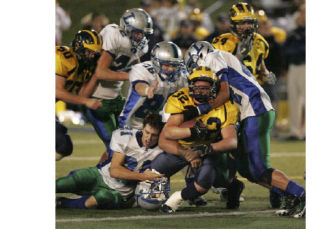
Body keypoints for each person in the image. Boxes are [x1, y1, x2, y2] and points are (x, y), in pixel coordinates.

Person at [184, 40, 306, 218]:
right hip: (253, 111)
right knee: (247, 168)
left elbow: (225, 92)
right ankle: (288, 195)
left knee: (259, 169)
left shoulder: (212, 56)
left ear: (200, 56)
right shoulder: (221, 57)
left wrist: (199, 110)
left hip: (255, 110)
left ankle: (302, 195)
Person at [150, 67, 243, 212]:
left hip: (208, 150)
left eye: (205, 88)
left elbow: (231, 142)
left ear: (214, 88)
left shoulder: (226, 106)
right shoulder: (180, 99)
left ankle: (231, 184)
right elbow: (166, 136)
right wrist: (191, 139)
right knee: (155, 176)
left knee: (207, 181)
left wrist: (204, 150)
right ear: (191, 87)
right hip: (183, 148)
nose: (200, 92)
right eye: (197, 87)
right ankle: (156, 195)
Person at [81, 8, 154, 164]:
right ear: (126, 27)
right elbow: (100, 72)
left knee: (128, 142)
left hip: (115, 99)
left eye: (144, 33)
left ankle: (99, 173)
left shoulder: (140, 45)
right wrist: (131, 76)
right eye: (137, 32)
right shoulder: (113, 34)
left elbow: (138, 70)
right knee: (114, 146)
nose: (141, 37)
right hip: (97, 98)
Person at [56, 113, 165, 209]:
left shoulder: (162, 150)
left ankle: (62, 202)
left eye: (154, 135)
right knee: (69, 181)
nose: (149, 138)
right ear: (142, 129)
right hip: (100, 175)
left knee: (101, 197)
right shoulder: (127, 137)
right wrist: (142, 176)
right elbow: (114, 171)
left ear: (159, 135)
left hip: (120, 193)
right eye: (147, 132)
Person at [55, 29, 103, 161]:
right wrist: (86, 102)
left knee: (64, 146)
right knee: (61, 145)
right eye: (89, 51)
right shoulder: (63, 56)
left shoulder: (86, 68)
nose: (92, 56)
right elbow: (56, 90)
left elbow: (82, 94)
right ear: (78, 47)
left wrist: (96, 75)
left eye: (94, 53)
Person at [119, 41, 188, 129]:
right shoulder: (142, 69)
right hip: (133, 124)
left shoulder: (182, 76)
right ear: (156, 62)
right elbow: (139, 87)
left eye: (174, 65)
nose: (171, 69)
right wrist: (147, 90)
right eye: (166, 65)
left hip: (158, 125)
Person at [211, 2, 276, 86]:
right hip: (231, 89)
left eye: (249, 22)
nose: (246, 26)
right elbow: (218, 71)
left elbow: (259, 66)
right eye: (242, 23)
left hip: (253, 89)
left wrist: (266, 75)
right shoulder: (223, 42)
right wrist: (238, 56)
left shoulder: (259, 41)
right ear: (233, 24)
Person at [283, 3, 305, 141]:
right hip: (293, 67)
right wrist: (284, 69)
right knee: (294, 100)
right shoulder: (293, 34)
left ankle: (305, 131)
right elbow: (285, 52)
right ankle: (295, 132)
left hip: (306, 66)